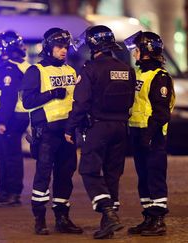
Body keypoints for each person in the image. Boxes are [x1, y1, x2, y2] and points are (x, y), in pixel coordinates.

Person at [65, 25, 136, 239]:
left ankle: (107, 211)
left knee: (89, 170)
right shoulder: (126, 69)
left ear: (93, 46)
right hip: (121, 128)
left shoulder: (91, 69)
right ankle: (108, 223)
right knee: (112, 174)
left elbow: (81, 103)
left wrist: (70, 128)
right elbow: (130, 100)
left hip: (98, 127)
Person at [21, 27, 83, 235]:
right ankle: (39, 220)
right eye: (59, 46)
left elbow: (76, 101)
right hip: (46, 133)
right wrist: (51, 93)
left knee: (65, 176)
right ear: (49, 47)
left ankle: (62, 218)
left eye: (65, 47)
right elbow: (27, 102)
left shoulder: (70, 71)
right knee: (43, 177)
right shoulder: (35, 71)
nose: (64, 50)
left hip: (67, 133)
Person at [123, 31, 175, 236]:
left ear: (145, 52)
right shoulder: (139, 74)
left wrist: (149, 134)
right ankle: (148, 217)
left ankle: (159, 220)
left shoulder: (159, 77)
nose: (134, 53)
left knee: (155, 178)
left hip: (152, 136)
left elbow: (162, 112)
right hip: (138, 132)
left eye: (136, 50)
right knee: (143, 178)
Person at [0, 30, 30, 207]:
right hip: (15, 115)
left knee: (10, 156)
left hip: (11, 117)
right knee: (5, 155)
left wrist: (3, 121)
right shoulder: (19, 64)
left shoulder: (9, 67)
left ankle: (12, 193)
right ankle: (5, 192)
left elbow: (9, 95)